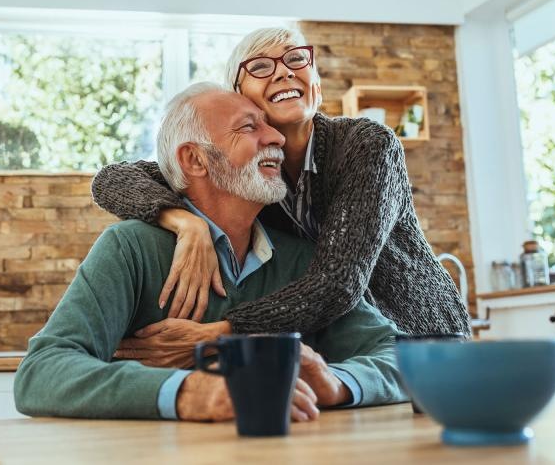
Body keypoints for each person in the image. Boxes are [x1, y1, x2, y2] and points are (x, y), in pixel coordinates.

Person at [14, 83, 407, 421]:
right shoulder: (131, 248)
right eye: (250, 127)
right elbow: (42, 372)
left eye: (269, 125)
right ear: (194, 159)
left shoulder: (302, 260)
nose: (277, 138)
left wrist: (336, 384)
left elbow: (400, 357)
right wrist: (192, 392)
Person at [91, 27, 470, 368]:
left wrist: (219, 333)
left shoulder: (367, 145)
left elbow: (338, 282)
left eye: (295, 59)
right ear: (241, 99)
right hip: (340, 353)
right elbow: (113, 178)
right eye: (259, 66)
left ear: (316, 84)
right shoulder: (246, 174)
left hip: (420, 340)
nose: (284, 71)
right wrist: (184, 222)